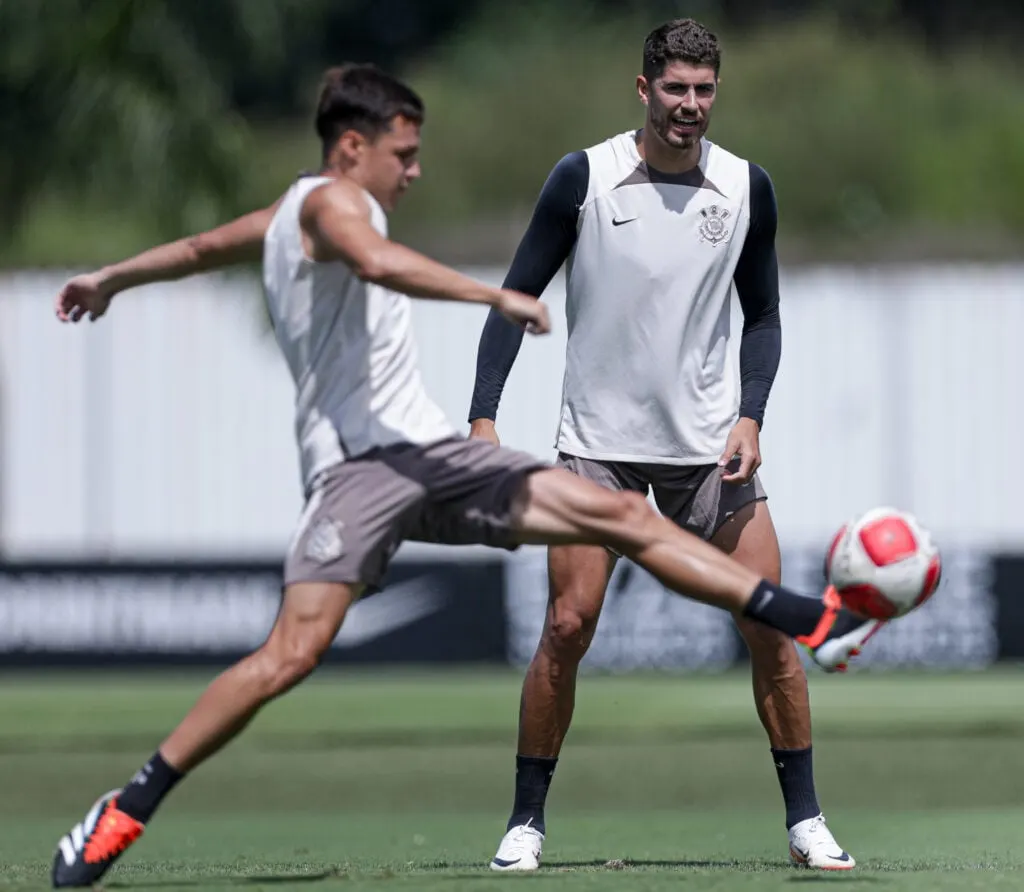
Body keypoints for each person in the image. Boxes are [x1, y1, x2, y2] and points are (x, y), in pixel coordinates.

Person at [50, 62, 861, 889]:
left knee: (618, 518)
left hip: (438, 458)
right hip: (360, 478)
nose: (415, 169)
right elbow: (376, 263)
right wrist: (492, 298)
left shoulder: (287, 211)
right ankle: (129, 805)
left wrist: (111, 278)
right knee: (291, 655)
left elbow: (196, 247)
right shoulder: (338, 207)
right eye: (403, 153)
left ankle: (811, 619)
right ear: (353, 147)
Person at [468, 19, 882, 874]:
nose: (689, 105)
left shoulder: (745, 187)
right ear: (643, 89)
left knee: (768, 626)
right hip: (596, 449)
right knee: (568, 623)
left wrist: (752, 415)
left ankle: (806, 823)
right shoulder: (582, 178)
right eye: (675, 89)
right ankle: (526, 821)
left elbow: (763, 316)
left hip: (708, 451)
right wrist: (483, 419)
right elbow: (514, 298)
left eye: (704, 90)